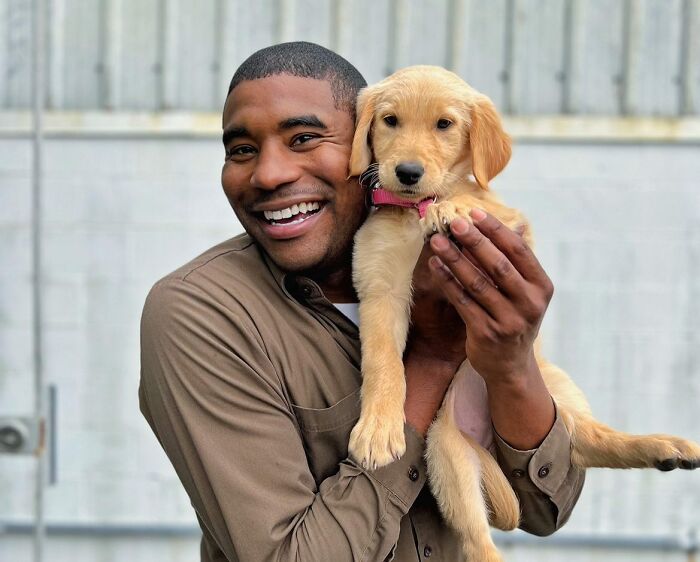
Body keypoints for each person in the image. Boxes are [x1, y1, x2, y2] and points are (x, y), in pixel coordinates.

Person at [139, 41, 585, 562]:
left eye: (304, 138)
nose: (268, 174)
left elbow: (542, 509)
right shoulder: (201, 313)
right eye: (240, 150)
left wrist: (511, 364)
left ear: (365, 142)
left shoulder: (453, 262)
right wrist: (435, 358)